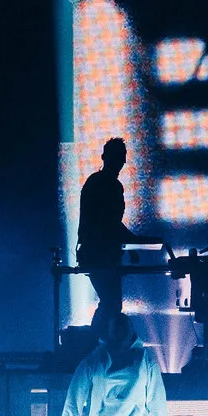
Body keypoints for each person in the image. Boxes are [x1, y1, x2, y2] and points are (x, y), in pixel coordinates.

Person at [56, 312, 170, 416]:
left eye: (124, 327)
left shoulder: (144, 359)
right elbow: (74, 400)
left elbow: (158, 403)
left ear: (131, 330)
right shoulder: (94, 360)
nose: (121, 332)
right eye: (118, 328)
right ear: (109, 331)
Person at [76, 137, 155, 323]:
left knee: (110, 303)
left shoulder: (99, 183)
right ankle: (94, 342)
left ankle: (95, 343)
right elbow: (107, 223)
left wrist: (129, 242)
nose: (121, 162)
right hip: (99, 254)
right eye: (119, 157)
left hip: (99, 253)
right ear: (106, 157)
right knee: (111, 303)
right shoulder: (105, 185)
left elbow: (109, 223)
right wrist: (134, 241)